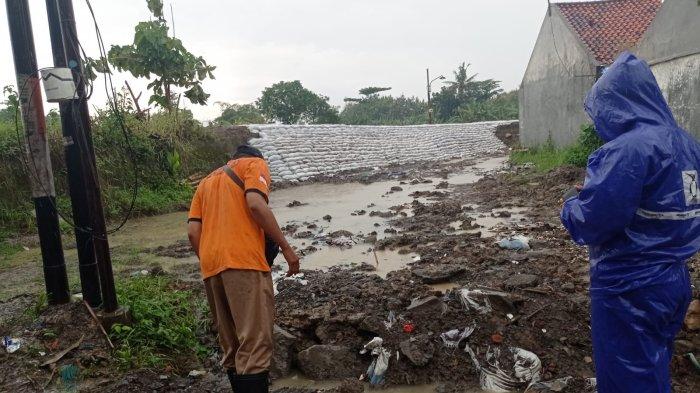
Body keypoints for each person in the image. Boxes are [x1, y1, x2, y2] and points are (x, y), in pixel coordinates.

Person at [561, 52, 700, 393]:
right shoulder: (687, 144)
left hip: (629, 287)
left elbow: (594, 222)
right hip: (673, 280)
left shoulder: (627, 151)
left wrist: (570, 205)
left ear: (616, 104)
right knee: (651, 366)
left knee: (627, 378)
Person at [187, 144, 300, 393]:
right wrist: (286, 247)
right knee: (255, 343)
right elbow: (256, 205)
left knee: (232, 344)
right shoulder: (254, 164)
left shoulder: (206, 182)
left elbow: (193, 232)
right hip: (244, 263)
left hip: (211, 267)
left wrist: (212, 259)